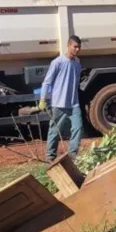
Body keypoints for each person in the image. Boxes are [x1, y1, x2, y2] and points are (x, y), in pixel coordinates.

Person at [39, 35, 83, 163]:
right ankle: (50, 157)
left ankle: (72, 156)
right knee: (54, 130)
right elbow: (47, 82)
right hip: (59, 104)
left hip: (73, 103)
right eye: (75, 47)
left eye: (79, 47)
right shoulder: (57, 62)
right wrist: (43, 99)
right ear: (68, 46)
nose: (77, 49)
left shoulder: (77, 62)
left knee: (78, 128)